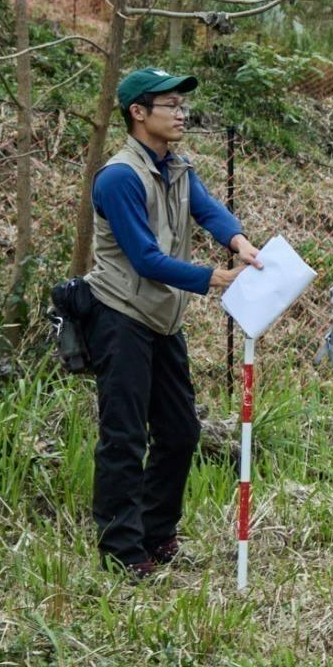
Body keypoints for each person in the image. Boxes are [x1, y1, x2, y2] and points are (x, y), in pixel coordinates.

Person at [84, 66, 260, 577]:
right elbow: (144, 258)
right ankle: (122, 550)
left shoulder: (176, 165)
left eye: (184, 105)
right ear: (138, 113)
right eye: (171, 105)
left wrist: (240, 243)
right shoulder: (119, 176)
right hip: (119, 315)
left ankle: (158, 534)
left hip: (162, 319)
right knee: (123, 436)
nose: (183, 114)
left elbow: (208, 211)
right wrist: (215, 277)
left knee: (181, 431)